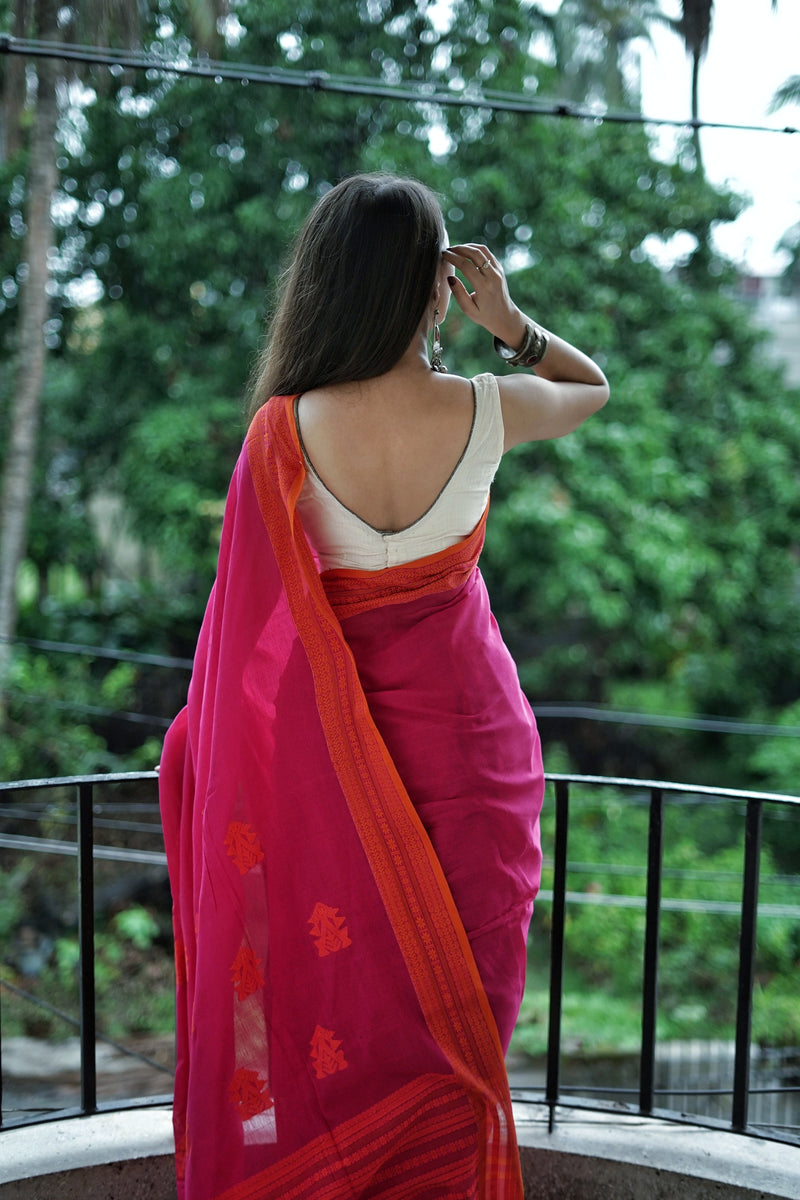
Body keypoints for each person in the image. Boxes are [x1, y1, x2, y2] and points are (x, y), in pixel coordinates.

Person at [158, 173, 608, 1200]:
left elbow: (250, 640)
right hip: (474, 755)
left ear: (324, 283)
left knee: (345, 1002)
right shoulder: (485, 408)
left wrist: (215, 746)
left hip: (335, 770)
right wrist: (513, 324)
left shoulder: (286, 430)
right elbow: (592, 390)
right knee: (461, 1017)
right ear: (436, 286)